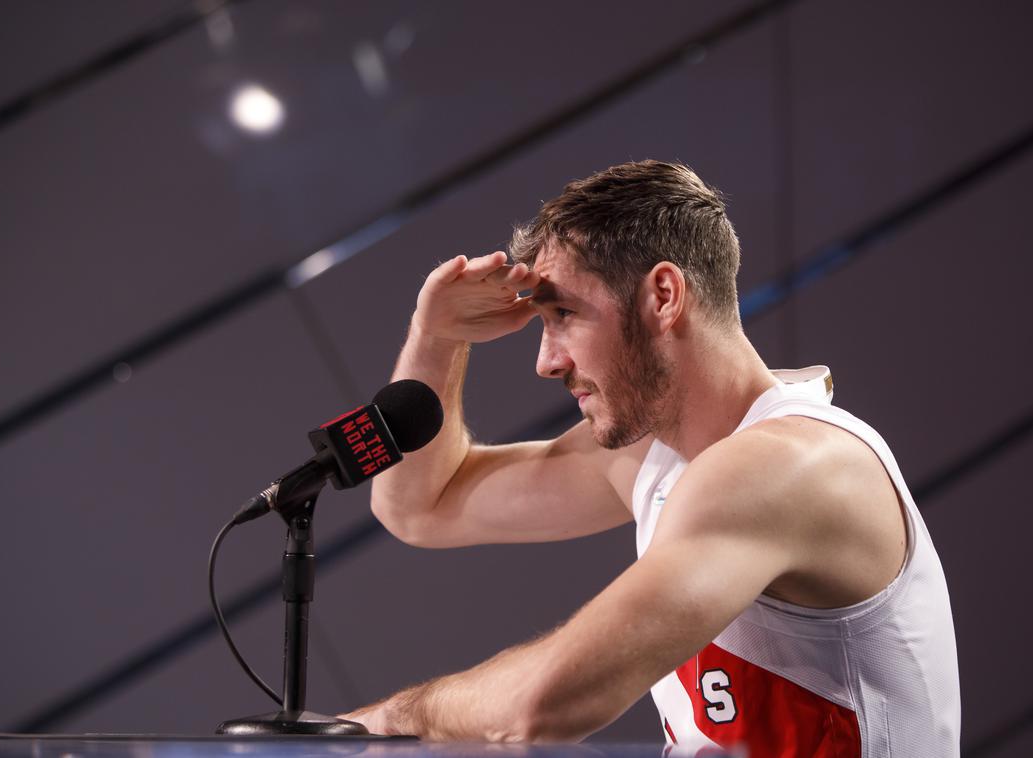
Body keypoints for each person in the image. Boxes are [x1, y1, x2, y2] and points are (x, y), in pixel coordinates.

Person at [341, 160, 960, 755]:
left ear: (663, 295)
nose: (546, 361)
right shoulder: (653, 453)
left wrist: (386, 721)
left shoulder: (789, 466)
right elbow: (422, 505)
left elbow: (541, 705)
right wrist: (438, 338)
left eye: (563, 314)